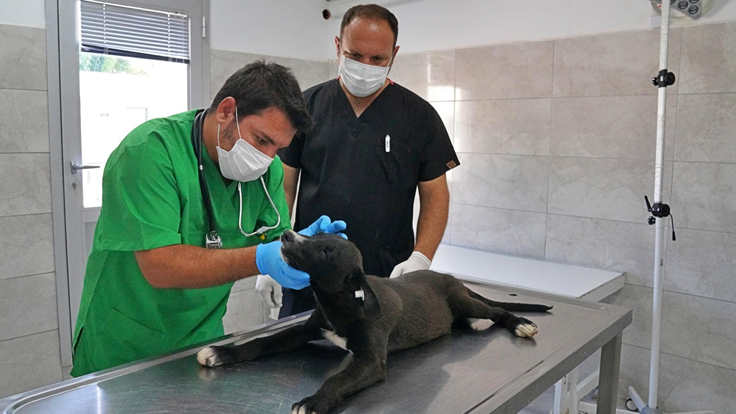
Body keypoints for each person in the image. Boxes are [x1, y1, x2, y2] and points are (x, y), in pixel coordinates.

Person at [70, 61, 346, 377]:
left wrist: (304, 248)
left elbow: (275, 237)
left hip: (201, 339)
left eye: (278, 148)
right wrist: (261, 259)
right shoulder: (149, 152)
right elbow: (159, 266)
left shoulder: (266, 172)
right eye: (261, 140)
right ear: (227, 111)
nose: (268, 158)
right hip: (126, 345)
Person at [255, 4, 460, 318]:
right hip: (309, 274)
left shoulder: (419, 117)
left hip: (387, 282)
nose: (366, 66)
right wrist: (274, 254)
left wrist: (421, 258)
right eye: (355, 55)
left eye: (377, 59)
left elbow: (435, 195)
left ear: (394, 54)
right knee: (298, 347)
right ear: (338, 46)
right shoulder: (305, 108)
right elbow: (282, 188)